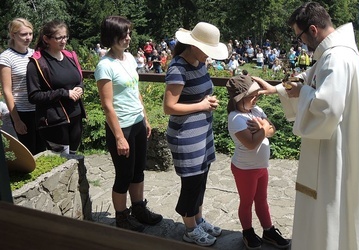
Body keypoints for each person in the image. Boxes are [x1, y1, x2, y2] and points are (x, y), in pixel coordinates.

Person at [254, 2, 359, 249]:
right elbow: (310, 77)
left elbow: (326, 107)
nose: (301, 43)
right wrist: (278, 89)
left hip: (334, 149)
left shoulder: (335, 57)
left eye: (300, 36)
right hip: (338, 140)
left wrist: (303, 93)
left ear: (312, 29)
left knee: (331, 199)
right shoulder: (338, 51)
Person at [94, 16, 162, 232]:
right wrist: (119, 136)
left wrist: (145, 117)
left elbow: (135, 92)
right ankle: (122, 217)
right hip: (120, 127)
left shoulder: (130, 58)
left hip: (137, 122)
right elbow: (107, 106)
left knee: (138, 170)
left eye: (129, 34)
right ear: (111, 36)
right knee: (124, 174)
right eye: (123, 35)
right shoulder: (104, 66)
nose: (128, 38)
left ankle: (139, 208)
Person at [163, 22, 228, 247]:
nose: (210, 55)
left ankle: (198, 220)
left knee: (201, 180)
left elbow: (196, 96)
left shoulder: (199, 63)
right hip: (186, 136)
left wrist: (207, 102)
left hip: (202, 132)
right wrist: (201, 105)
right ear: (193, 45)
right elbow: (169, 107)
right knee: (191, 183)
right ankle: (189, 228)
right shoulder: (178, 68)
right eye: (207, 50)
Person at [226, 75, 290, 250]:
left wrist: (263, 130)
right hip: (245, 169)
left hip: (261, 167)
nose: (256, 99)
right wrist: (263, 128)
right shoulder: (236, 118)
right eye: (252, 96)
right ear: (239, 98)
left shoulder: (256, 110)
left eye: (257, 95)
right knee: (246, 202)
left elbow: (273, 129)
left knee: (262, 200)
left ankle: (268, 230)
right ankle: (247, 232)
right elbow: (252, 143)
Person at [26, 20, 85, 155]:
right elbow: (34, 96)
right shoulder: (36, 63)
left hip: (75, 116)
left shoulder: (70, 56)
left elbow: (78, 79)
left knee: (74, 156)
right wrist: (64, 93)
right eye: (59, 38)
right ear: (46, 39)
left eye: (65, 37)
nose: (63, 41)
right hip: (55, 122)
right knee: (62, 161)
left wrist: (80, 88)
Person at [0, 18, 46, 154]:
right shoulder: (6, 57)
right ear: (13, 35)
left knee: (42, 151)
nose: (28, 38)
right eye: (24, 34)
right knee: (29, 152)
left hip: (39, 108)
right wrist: (17, 120)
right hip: (22, 111)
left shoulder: (35, 54)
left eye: (30, 34)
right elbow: (7, 91)